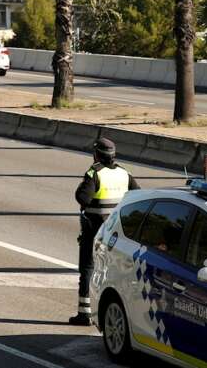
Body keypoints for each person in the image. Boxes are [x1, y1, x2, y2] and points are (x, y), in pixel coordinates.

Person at [69, 136, 140, 326]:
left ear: (96, 155)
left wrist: (82, 185)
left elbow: (82, 198)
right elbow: (137, 194)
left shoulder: (95, 173)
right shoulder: (124, 173)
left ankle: (85, 313)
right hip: (118, 232)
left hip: (95, 231)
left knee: (88, 268)